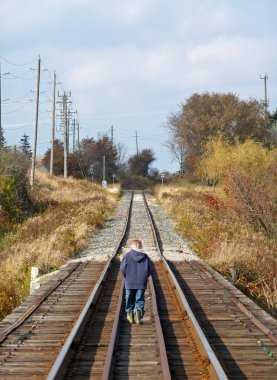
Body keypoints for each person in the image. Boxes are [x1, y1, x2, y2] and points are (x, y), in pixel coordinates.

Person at [120, 239, 152, 325]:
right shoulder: (146, 257)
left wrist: (126, 275)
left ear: (131, 247)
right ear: (141, 247)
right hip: (141, 282)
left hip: (129, 282)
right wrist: (145, 277)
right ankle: (138, 313)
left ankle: (130, 315)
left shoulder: (127, 256)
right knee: (139, 299)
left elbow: (123, 268)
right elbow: (149, 269)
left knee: (129, 298)